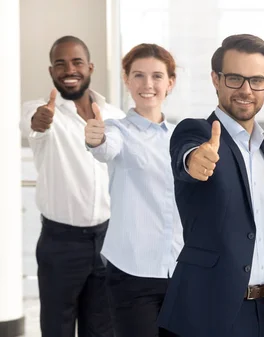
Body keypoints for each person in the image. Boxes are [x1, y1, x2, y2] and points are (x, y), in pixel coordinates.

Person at [157, 34, 264, 337]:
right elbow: (186, 155)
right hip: (209, 312)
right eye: (234, 78)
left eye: (257, 80)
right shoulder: (197, 132)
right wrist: (195, 161)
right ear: (215, 79)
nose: (246, 90)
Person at [19, 35, 123, 337]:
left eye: (76, 61)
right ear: (52, 72)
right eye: (60, 64)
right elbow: (31, 123)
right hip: (60, 244)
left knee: (102, 330)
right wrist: (39, 121)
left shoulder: (114, 116)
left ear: (89, 67)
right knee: (57, 329)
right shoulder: (42, 112)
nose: (69, 69)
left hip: (107, 242)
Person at [84, 43, 183, 337]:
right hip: (132, 272)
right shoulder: (117, 130)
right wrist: (95, 140)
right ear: (126, 80)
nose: (148, 84)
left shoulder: (183, 135)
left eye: (157, 76)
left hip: (179, 271)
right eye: (138, 75)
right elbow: (104, 148)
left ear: (170, 82)